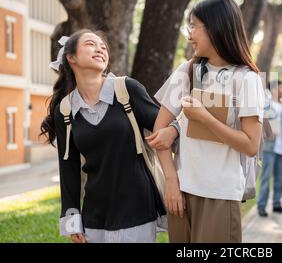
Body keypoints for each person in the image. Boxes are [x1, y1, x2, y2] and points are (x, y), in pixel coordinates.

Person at [40, 29, 178, 243]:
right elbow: (67, 167)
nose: (100, 49)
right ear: (71, 57)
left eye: (103, 47)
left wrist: (174, 130)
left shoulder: (127, 89)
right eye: (90, 44)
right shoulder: (64, 110)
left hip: (137, 207)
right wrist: (71, 217)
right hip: (95, 214)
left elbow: (166, 126)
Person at [149, 0, 265, 242]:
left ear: (216, 27)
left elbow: (250, 144)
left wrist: (205, 118)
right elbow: (159, 133)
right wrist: (171, 181)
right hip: (180, 192)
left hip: (220, 195)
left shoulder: (247, 80)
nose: (189, 35)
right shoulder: (187, 71)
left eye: (194, 26)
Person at [257, 80, 282, 217]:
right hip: (269, 148)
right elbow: (258, 124)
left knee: (280, 178)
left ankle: (277, 204)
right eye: (281, 88)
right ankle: (261, 206)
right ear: (273, 90)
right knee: (266, 178)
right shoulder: (265, 106)